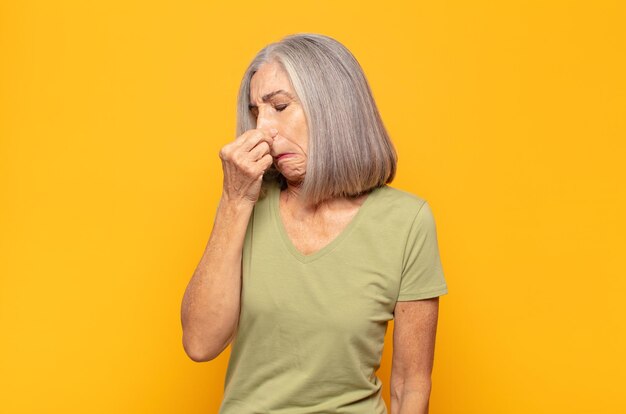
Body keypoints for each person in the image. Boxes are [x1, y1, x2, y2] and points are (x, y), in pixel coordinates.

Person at [181, 33, 449, 414]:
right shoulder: (245, 203)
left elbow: (410, 384)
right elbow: (199, 343)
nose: (263, 130)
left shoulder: (407, 222)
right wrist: (234, 200)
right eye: (257, 112)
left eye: (279, 106)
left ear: (334, 108)